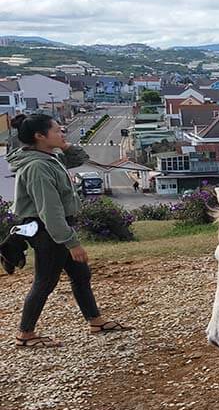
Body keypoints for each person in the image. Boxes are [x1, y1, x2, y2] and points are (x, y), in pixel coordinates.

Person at [7, 113, 132, 349]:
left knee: (81, 275)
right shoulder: (37, 167)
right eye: (56, 131)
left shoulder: (49, 157)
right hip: (49, 231)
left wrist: (64, 145)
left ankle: (95, 321)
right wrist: (71, 242)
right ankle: (25, 334)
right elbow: (49, 210)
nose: (62, 133)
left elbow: (80, 158)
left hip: (58, 228)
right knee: (45, 281)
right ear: (40, 136)